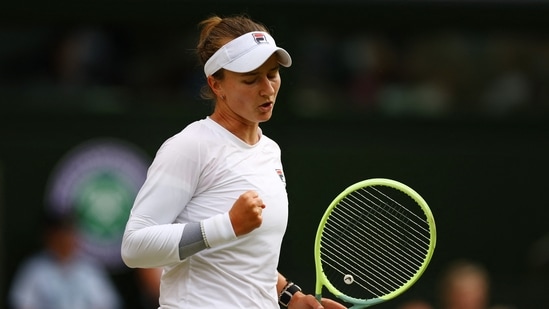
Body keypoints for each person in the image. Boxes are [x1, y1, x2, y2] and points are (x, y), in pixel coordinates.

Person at [120, 14, 346, 309]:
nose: (267, 89)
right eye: (250, 79)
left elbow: (245, 258)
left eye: (273, 73)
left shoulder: (270, 151)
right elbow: (134, 248)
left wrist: (290, 297)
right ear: (217, 85)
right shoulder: (191, 146)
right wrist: (227, 225)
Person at [8, 210, 121, 309]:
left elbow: (108, 304)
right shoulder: (34, 268)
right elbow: (21, 304)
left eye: (69, 234)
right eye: (60, 236)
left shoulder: (90, 268)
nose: (65, 241)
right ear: (49, 238)